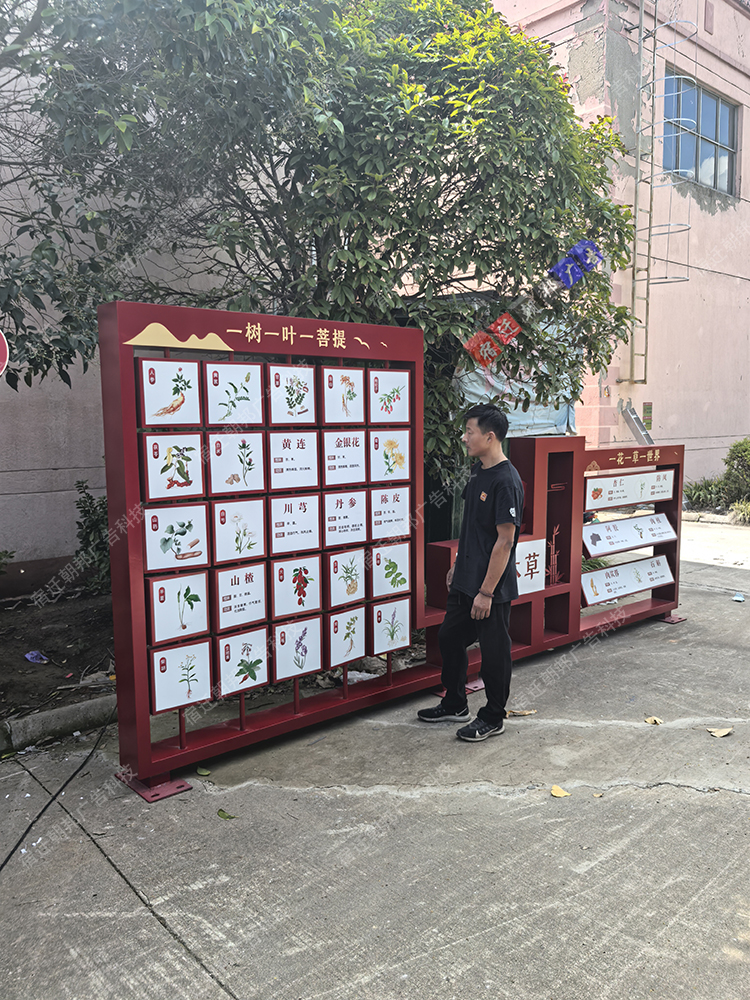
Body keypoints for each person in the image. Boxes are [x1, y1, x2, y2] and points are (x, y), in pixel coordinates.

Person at [418, 403, 524, 741]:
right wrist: (457, 564)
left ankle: (493, 716)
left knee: (494, 654)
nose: (464, 438)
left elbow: (505, 542)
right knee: (449, 637)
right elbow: (473, 527)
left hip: (490, 589)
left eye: (469, 432)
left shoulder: (506, 481)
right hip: (465, 579)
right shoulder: (478, 471)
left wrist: (486, 592)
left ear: (489, 437)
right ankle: (455, 703)